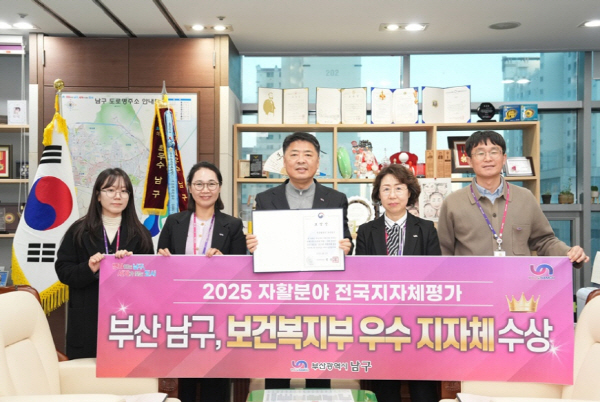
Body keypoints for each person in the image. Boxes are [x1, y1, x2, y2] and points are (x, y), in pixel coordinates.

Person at [246, 131, 353, 389]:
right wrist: (252, 246)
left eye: (308, 154)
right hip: (279, 297)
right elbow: (260, 246)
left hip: (320, 297)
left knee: (318, 369)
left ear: (318, 162)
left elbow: (346, 240)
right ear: (284, 161)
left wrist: (346, 247)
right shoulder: (265, 199)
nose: (301, 160)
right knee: (277, 368)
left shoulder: (336, 199)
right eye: (294, 154)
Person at [158, 161, 246, 402]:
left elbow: (240, 271)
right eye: (199, 184)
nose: (205, 189)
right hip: (180, 314)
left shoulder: (233, 225)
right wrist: (162, 259)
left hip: (217, 314)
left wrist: (223, 261)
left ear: (219, 187)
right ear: (189, 187)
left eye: (211, 184)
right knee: (183, 378)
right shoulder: (173, 222)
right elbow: (161, 267)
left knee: (215, 381)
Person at [355, 163, 441, 402]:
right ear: (378, 194)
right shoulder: (366, 231)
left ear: (409, 193)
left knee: (422, 389)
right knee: (385, 388)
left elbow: (435, 276)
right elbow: (361, 276)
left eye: (399, 188)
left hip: (418, 321)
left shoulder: (426, 229)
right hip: (380, 321)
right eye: (386, 189)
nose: (392, 195)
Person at [438, 130, 589, 265]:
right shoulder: (453, 202)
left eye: (494, 152)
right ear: (469, 161)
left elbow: (544, 240)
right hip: (473, 283)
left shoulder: (525, 198)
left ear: (504, 158)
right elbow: (443, 251)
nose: (488, 158)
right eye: (480, 153)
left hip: (519, 283)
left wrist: (568, 252)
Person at [55, 168, 154, 359]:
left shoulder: (141, 234)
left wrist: (131, 266)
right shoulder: (78, 230)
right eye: (110, 190)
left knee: (123, 371)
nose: (118, 196)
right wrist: (89, 268)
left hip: (126, 319)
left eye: (124, 191)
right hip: (87, 319)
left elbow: (149, 280)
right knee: (85, 373)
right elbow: (63, 271)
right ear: (98, 195)